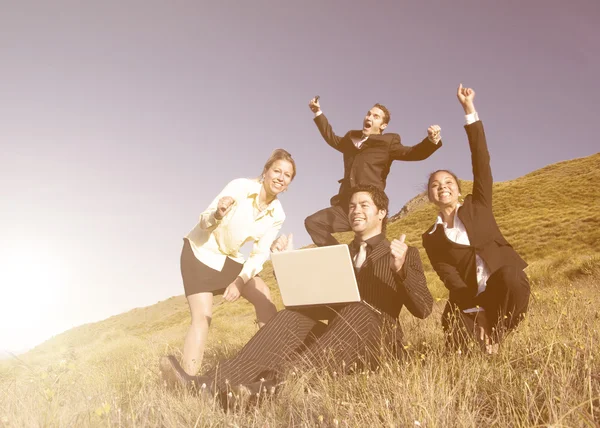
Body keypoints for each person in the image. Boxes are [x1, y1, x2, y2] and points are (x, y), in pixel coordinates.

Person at [160, 185, 433, 401]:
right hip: (336, 341)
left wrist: (400, 271)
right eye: (351, 206)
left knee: (360, 309)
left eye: (364, 205)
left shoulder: (403, 254)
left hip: (378, 342)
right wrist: (284, 264)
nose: (355, 211)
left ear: (382, 213)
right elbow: (315, 303)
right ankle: (208, 384)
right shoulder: (337, 255)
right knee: (292, 316)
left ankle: (271, 387)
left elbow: (424, 309)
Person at [422, 84, 530, 354]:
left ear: (458, 189)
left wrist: (469, 109)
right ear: (430, 195)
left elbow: (481, 159)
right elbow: (451, 279)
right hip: (470, 297)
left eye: (448, 182)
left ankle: (498, 334)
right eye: (435, 184)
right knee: (459, 345)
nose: (443, 186)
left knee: (511, 277)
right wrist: (477, 312)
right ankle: (478, 332)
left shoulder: (479, 204)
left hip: (502, 289)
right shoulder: (431, 237)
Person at [175, 148, 296, 376]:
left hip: (227, 257)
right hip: (199, 251)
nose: (280, 177)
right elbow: (204, 221)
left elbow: (259, 254)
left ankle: (270, 366)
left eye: (287, 175)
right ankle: (187, 379)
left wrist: (240, 281)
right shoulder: (240, 186)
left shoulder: (278, 214)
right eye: (277, 171)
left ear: (289, 183)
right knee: (202, 318)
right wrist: (218, 213)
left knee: (263, 294)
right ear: (266, 172)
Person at [304, 97, 443, 246]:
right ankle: (342, 258)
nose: (369, 117)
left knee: (373, 252)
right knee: (313, 223)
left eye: (375, 116)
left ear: (383, 125)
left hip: (372, 206)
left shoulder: (388, 143)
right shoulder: (351, 139)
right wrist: (318, 112)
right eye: (368, 114)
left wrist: (431, 141)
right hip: (348, 206)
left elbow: (412, 153)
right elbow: (332, 138)